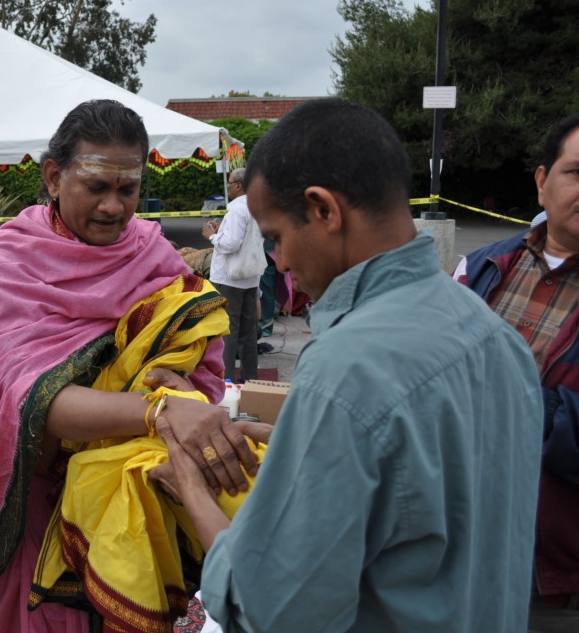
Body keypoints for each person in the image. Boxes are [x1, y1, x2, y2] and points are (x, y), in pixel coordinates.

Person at [154, 98, 543, 632]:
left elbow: (271, 608)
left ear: (324, 211)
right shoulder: (499, 339)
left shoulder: (346, 369)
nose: (279, 263)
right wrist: (304, 441)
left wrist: (190, 486)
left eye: (276, 239)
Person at [0, 100, 259, 632]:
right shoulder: (11, 259)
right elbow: (35, 396)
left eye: (128, 189)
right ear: (54, 177)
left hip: (132, 494)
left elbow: (199, 364)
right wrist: (160, 410)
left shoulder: (153, 254)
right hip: (36, 496)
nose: (113, 207)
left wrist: (181, 386)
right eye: (96, 186)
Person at [455, 113, 579, 632]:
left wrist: (521, 401)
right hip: (453, 547)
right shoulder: (481, 268)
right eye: (576, 172)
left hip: (549, 574)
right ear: (542, 181)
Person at [202, 168, 263, 382]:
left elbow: (231, 244)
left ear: (238, 185)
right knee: (248, 333)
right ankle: (250, 379)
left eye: (229, 183)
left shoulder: (237, 209)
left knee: (227, 332)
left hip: (229, 279)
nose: (227, 186)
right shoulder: (257, 206)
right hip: (250, 277)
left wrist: (212, 237)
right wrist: (222, 230)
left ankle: (225, 380)